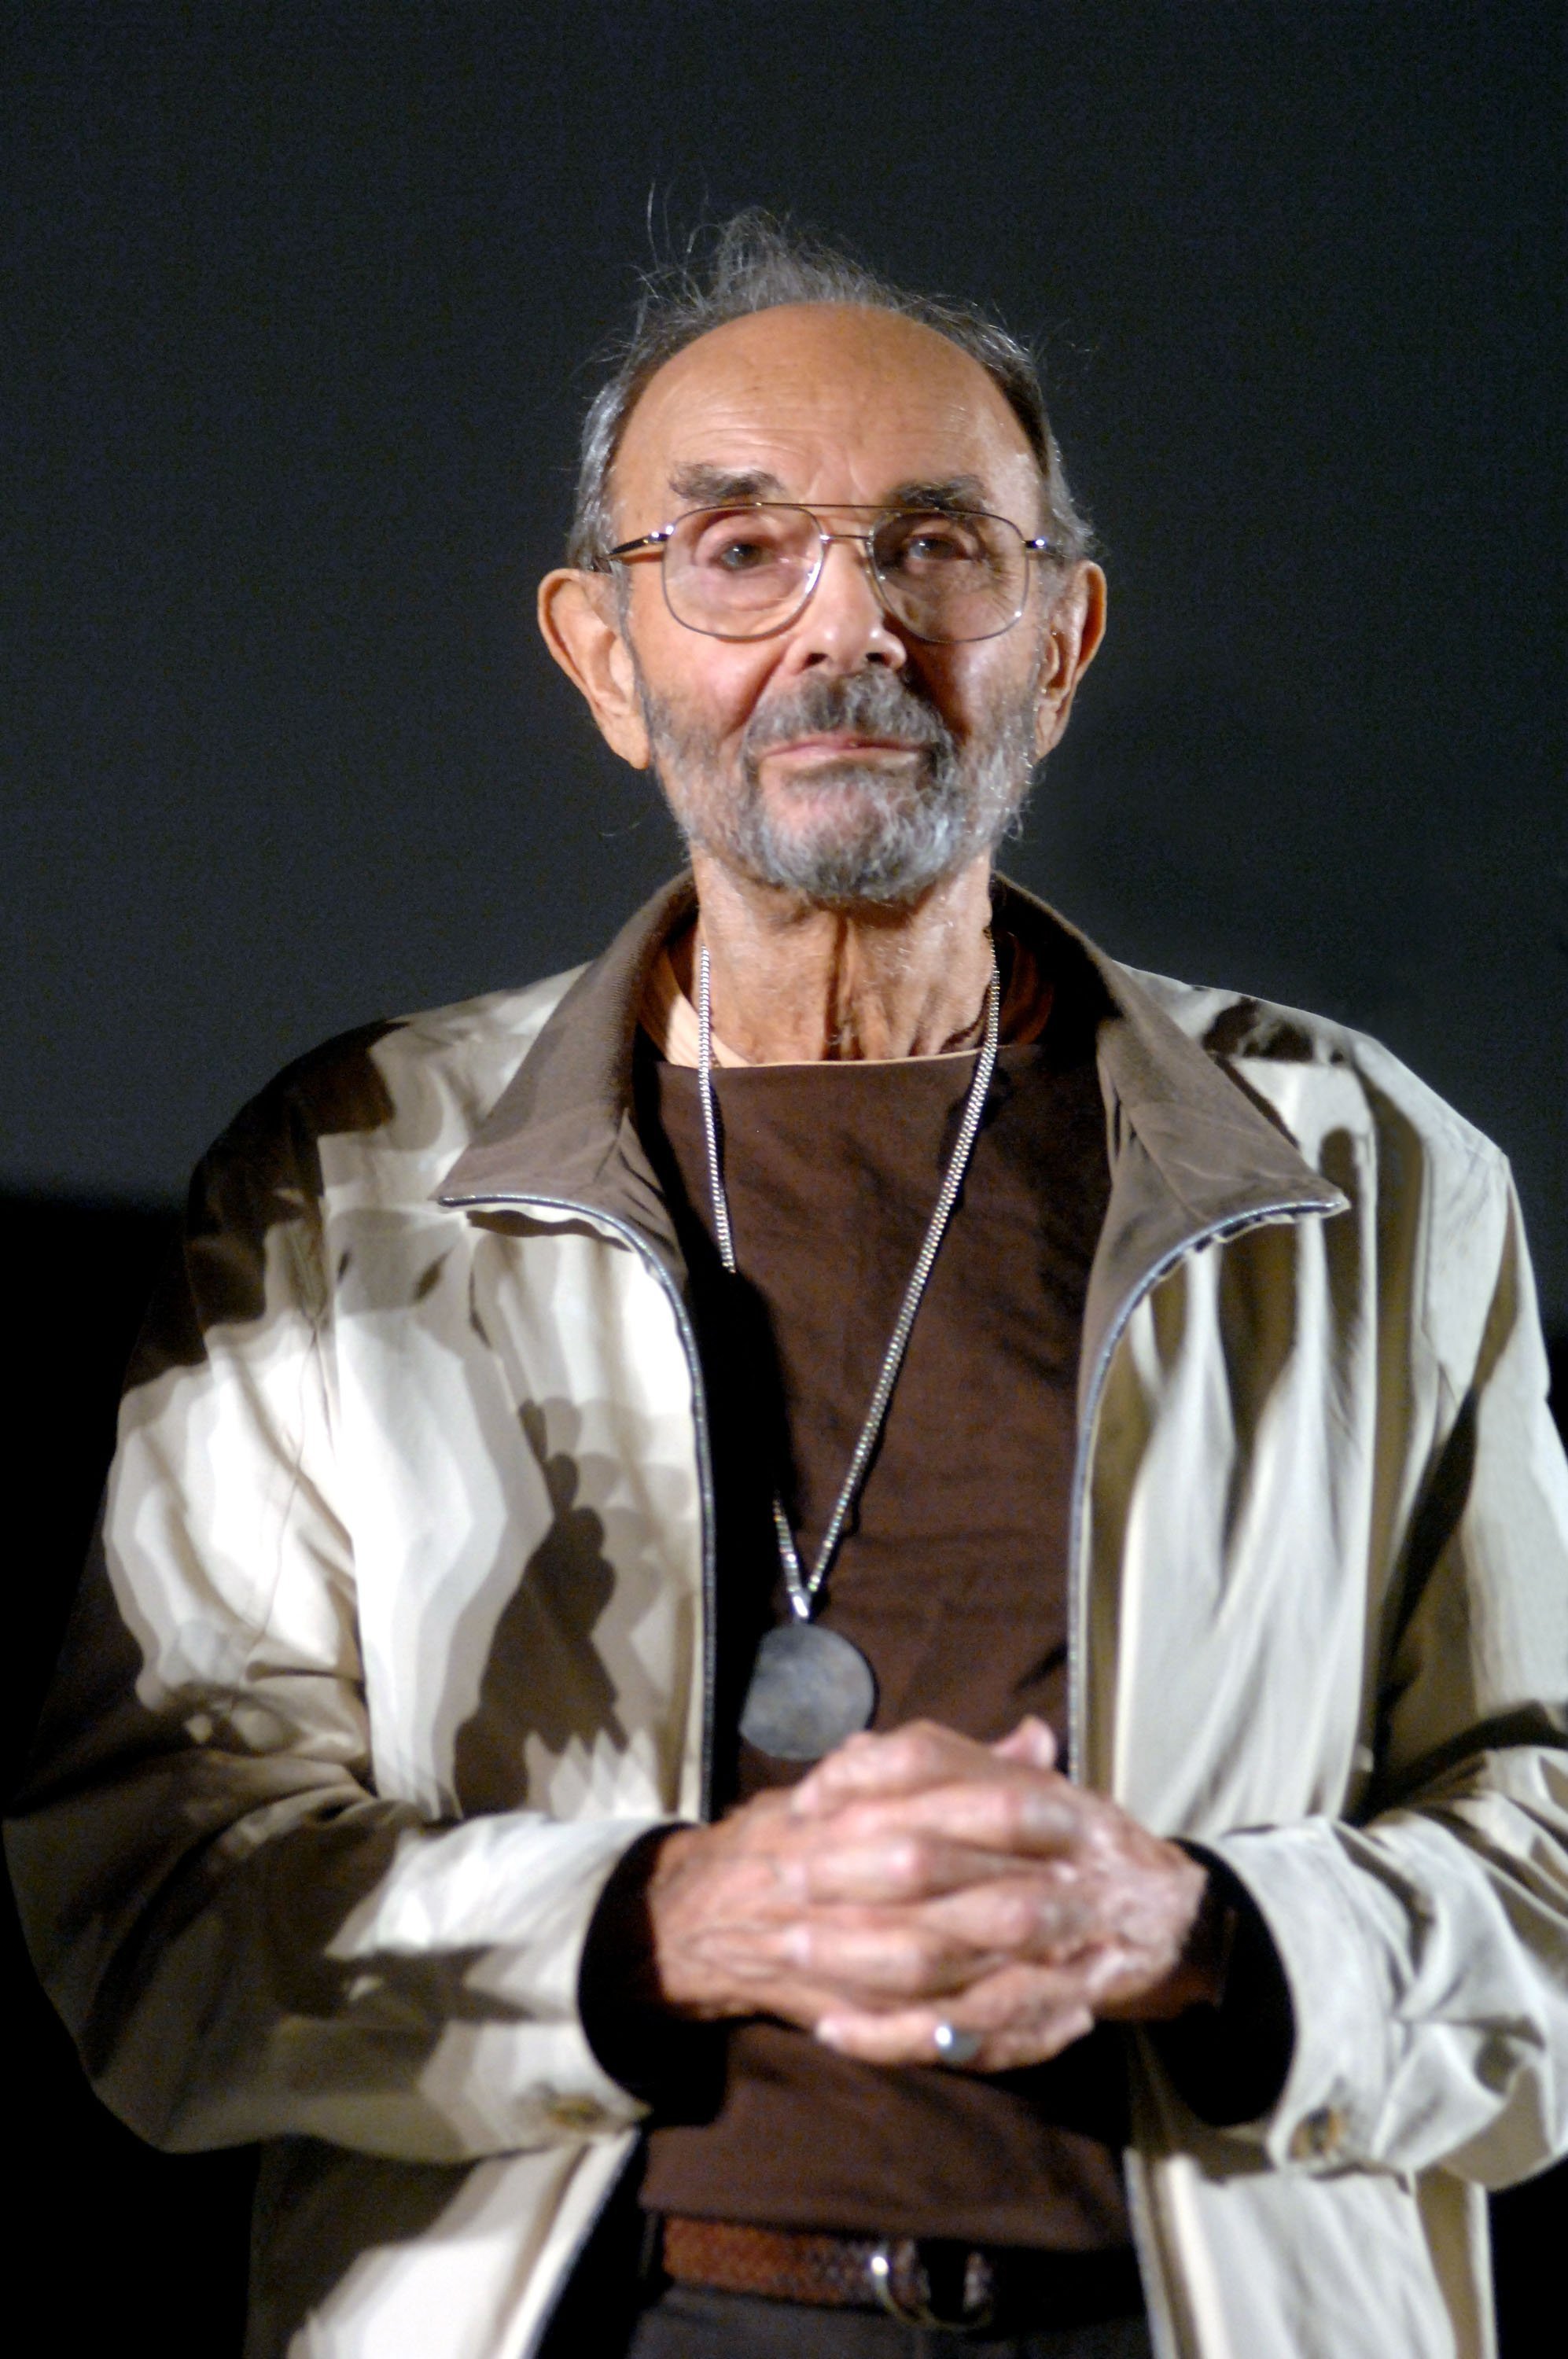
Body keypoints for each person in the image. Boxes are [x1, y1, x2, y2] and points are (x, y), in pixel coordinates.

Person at [8, 215, 1566, 2359]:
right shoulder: (344, 1173)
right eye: (737, 550)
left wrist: (1201, 1928)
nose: (849, 625)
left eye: (938, 549)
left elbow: (1546, 1847)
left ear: (1059, 634)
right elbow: (161, 1912)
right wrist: (671, 1920)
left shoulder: (1369, 1175)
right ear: (598, 649)